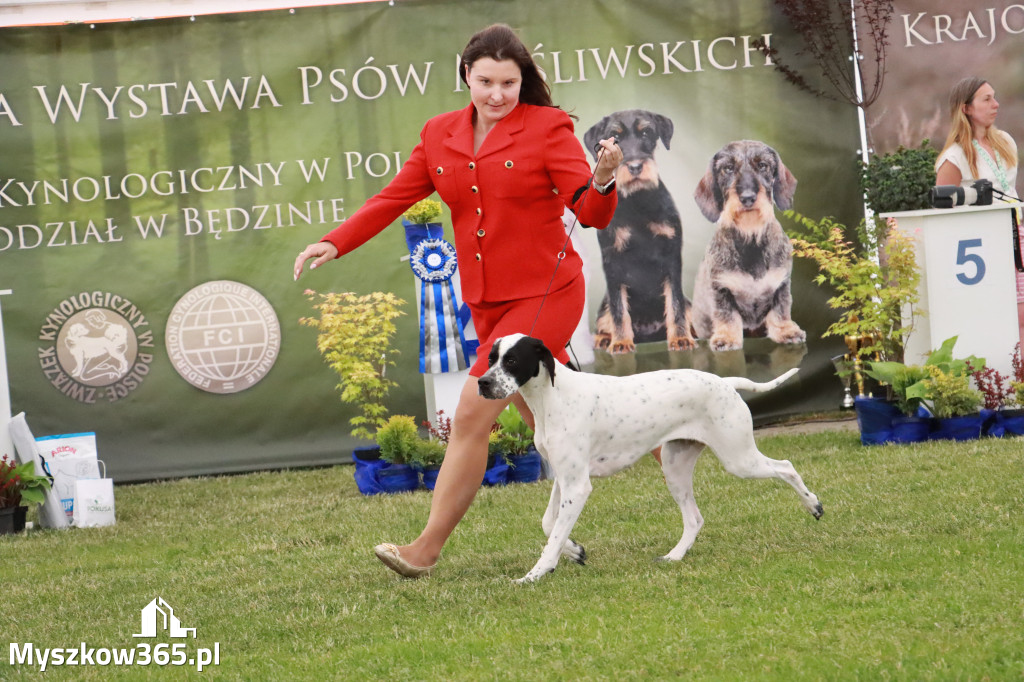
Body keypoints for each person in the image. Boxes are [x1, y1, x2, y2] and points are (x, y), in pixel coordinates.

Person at [293, 23, 622, 578]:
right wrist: (334, 240)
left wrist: (605, 179)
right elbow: (393, 197)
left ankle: (423, 551)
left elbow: (588, 212)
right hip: (486, 302)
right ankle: (656, 434)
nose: (497, 93)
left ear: (524, 83)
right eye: (486, 80)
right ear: (464, 74)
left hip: (547, 292)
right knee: (548, 416)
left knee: (471, 415)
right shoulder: (438, 133)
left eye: (509, 83)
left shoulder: (548, 128)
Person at [935, 77, 1023, 345]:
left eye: (994, 97)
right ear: (966, 109)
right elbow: (942, 206)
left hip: (1017, 232)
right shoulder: (954, 155)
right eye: (986, 99)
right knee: (1013, 317)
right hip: (984, 246)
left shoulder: (1006, 141)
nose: (995, 104)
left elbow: (1009, 189)